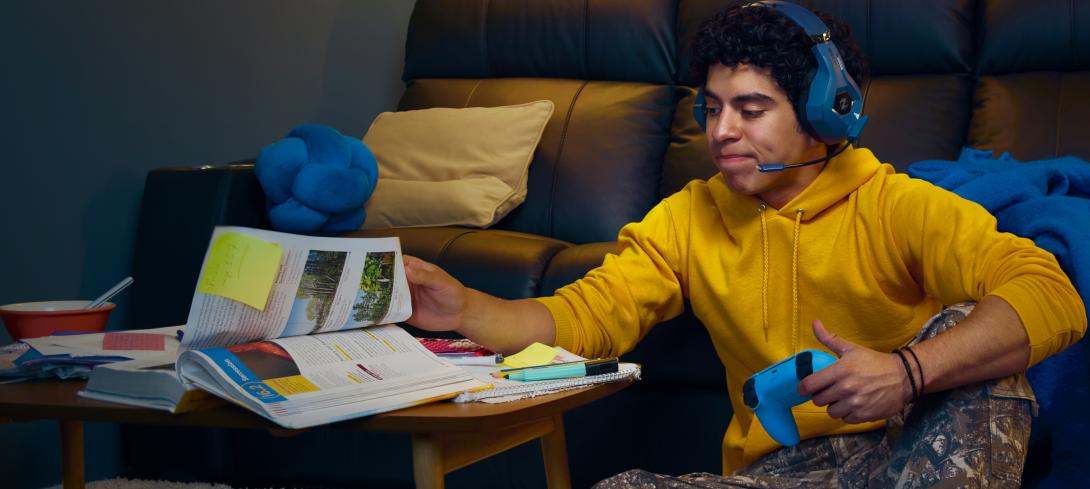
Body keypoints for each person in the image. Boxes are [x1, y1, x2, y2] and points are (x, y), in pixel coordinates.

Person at [401, 1, 1086, 486]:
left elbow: (1051, 292)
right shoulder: (688, 216)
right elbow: (585, 316)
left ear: (825, 115)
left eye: (751, 109)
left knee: (975, 325)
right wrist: (464, 306)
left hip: (915, 454)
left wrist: (907, 369)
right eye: (713, 108)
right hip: (783, 471)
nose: (722, 130)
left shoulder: (899, 206)